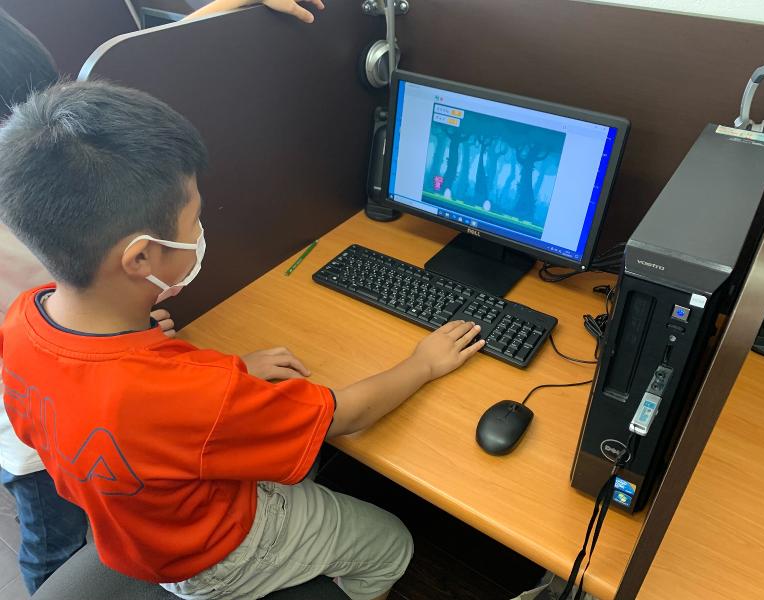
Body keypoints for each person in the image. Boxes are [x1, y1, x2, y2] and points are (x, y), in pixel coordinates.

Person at [0, 79, 484, 600]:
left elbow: (100, 417)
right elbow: (346, 416)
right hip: (212, 553)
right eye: (193, 220)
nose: (200, 231)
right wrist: (423, 363)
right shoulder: (192, 394)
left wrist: (227, 375)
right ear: (141, 257)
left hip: (138, 532)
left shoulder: (23, 322)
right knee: (391, 543)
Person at [0, 0, 325, 594]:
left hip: (71, 386)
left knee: (118, 509)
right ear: (140, 257)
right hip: (53, 430)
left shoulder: (30, 285)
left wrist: (229, 8)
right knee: (54, 543)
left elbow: (107, 109)